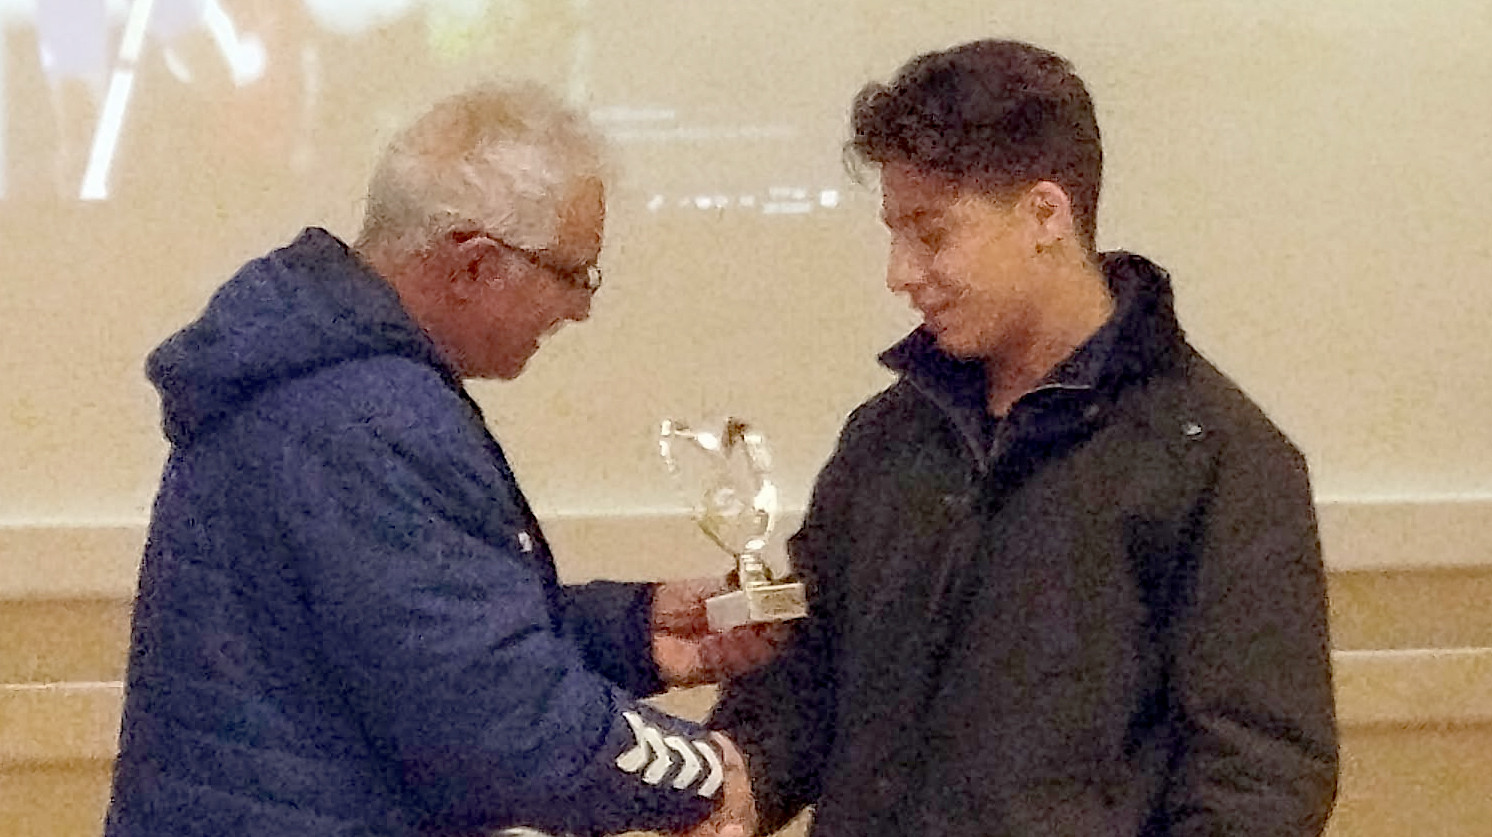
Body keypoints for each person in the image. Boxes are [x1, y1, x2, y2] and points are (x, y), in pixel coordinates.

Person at [709, 39, 1338, 837]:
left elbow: (1256, 784)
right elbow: (804, 680)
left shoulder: (1220, 460)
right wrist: (738, 779)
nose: (899, 272)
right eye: (894, 233)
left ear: (1046, 214)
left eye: (931, 234)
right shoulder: (885, 436)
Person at [104, 82, 767, 837]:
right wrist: (703, 772)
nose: (581, 308)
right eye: (573, 274)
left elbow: (412, 640)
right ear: (474, 264)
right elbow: (498, 716)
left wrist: (632, 630)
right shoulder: (368, 419)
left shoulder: (317, 381)